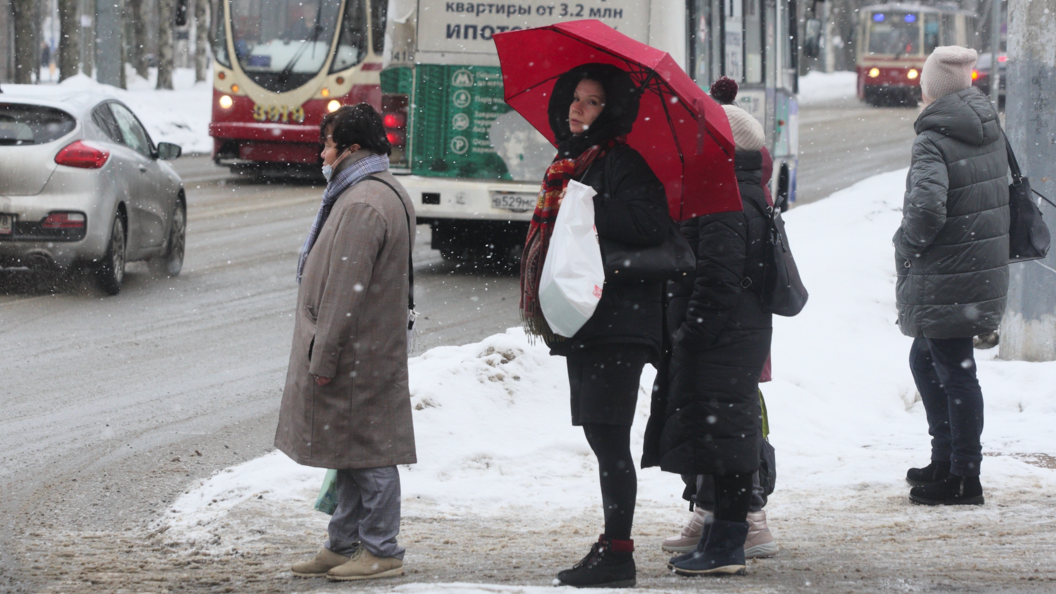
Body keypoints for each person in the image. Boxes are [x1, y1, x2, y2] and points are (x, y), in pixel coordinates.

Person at [519, 63, 669, 589]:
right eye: (574, 99)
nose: (577, 109)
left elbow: (651, 223)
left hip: (617, 322)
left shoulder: (620, 163)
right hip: (583, 320)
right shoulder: (570, 162)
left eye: (592, 101)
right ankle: (612, 542)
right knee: (598, 434)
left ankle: (619, 553)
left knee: (609, 437)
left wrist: (588, 205)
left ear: (614, 111)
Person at [275, 103, 417, 581]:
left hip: (357, 352)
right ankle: (345, 543)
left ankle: (381, 549)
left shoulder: (361, 204)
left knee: (371, 453)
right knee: (351, 451)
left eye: (329, 144)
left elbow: (343, 293)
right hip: (365, 349)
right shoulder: (373, 191)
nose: (323, 152)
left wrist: (324, 352)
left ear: (352, 149)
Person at [643, 101, 773, 577]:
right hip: (736, 332)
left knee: (728, 440)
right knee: (724, 438)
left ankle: (727, 546)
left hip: (723, 336)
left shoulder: (726, 195)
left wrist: (690, 332)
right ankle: (721, 541)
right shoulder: (741, 188)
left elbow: (718, 275)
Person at [895, 46, 1008, 506]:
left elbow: (925, 211)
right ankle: (947, 460)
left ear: (930, 90)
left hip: (948, 273)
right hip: (980, 268)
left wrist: (905, 244)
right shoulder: (987, 127)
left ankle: (964, 476)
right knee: (929, 361)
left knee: (956, 372)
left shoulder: (933, 138)